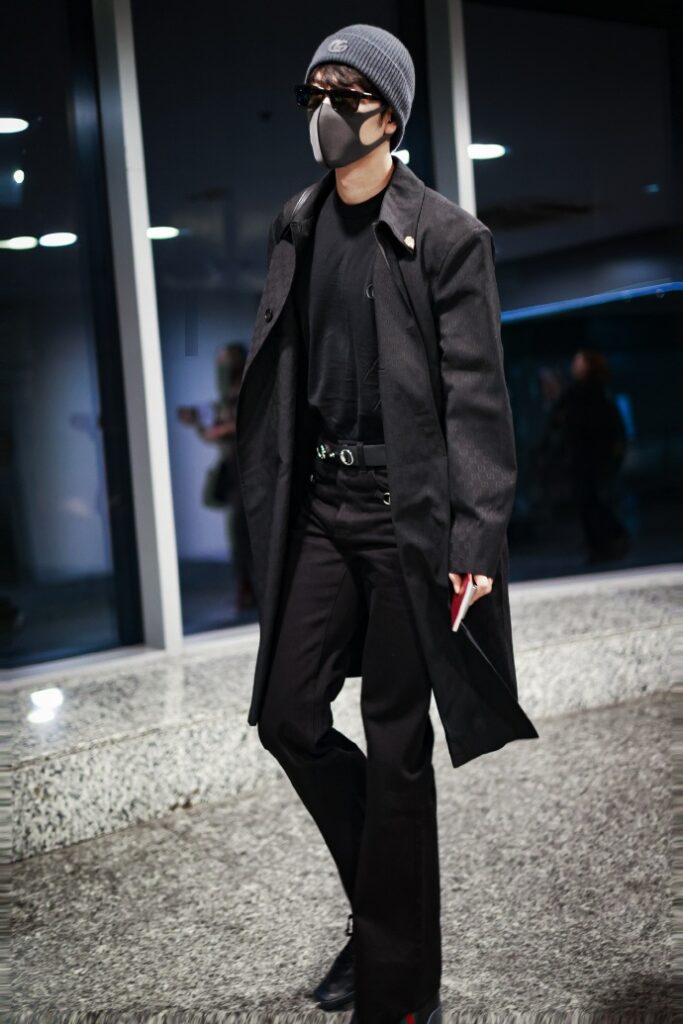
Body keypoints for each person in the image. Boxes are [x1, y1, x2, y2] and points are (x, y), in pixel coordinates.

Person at [235, 23, 539, 1024]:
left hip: (408, 520)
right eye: (314, 92)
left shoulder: (446, 237)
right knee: (287, 716)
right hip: (320, 513)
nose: (324, 111)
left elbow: (476, 400)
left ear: (390, 115)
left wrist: (474, 539)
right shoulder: (295, 223)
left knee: (395, 748)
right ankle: (383, 915)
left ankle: (399, 992)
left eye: (346, 94)